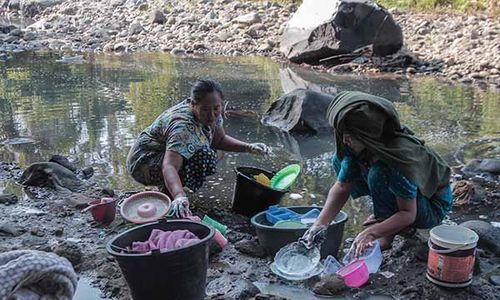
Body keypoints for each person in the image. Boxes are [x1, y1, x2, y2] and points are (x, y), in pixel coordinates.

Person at [300, 91, 452, 257]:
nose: (344, 140)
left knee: (378, 174)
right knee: (341, 160)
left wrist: (371, 233)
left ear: (368, 136)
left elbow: (408, 214)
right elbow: (342, 186)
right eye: (343, 135)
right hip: (406, 199)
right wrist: (320, 225)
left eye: (350, 137)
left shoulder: (397, 160)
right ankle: (388, 217)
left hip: (431, 207)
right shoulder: (359, 148)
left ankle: (388, 236)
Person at [127, 79, 271, 218]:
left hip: (163, 154)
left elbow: (219, 140)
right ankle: (169, 196)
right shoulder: (182, 127)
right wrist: (179, 197)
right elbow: (169, 166)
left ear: (221, 104)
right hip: (143, 161)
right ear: (193, 105)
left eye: (216, 108)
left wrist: (249, 147)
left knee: (216, 153)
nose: (212, 115)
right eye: (205, 109)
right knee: (204, 156)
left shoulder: (214, 113)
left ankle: (169, 189)